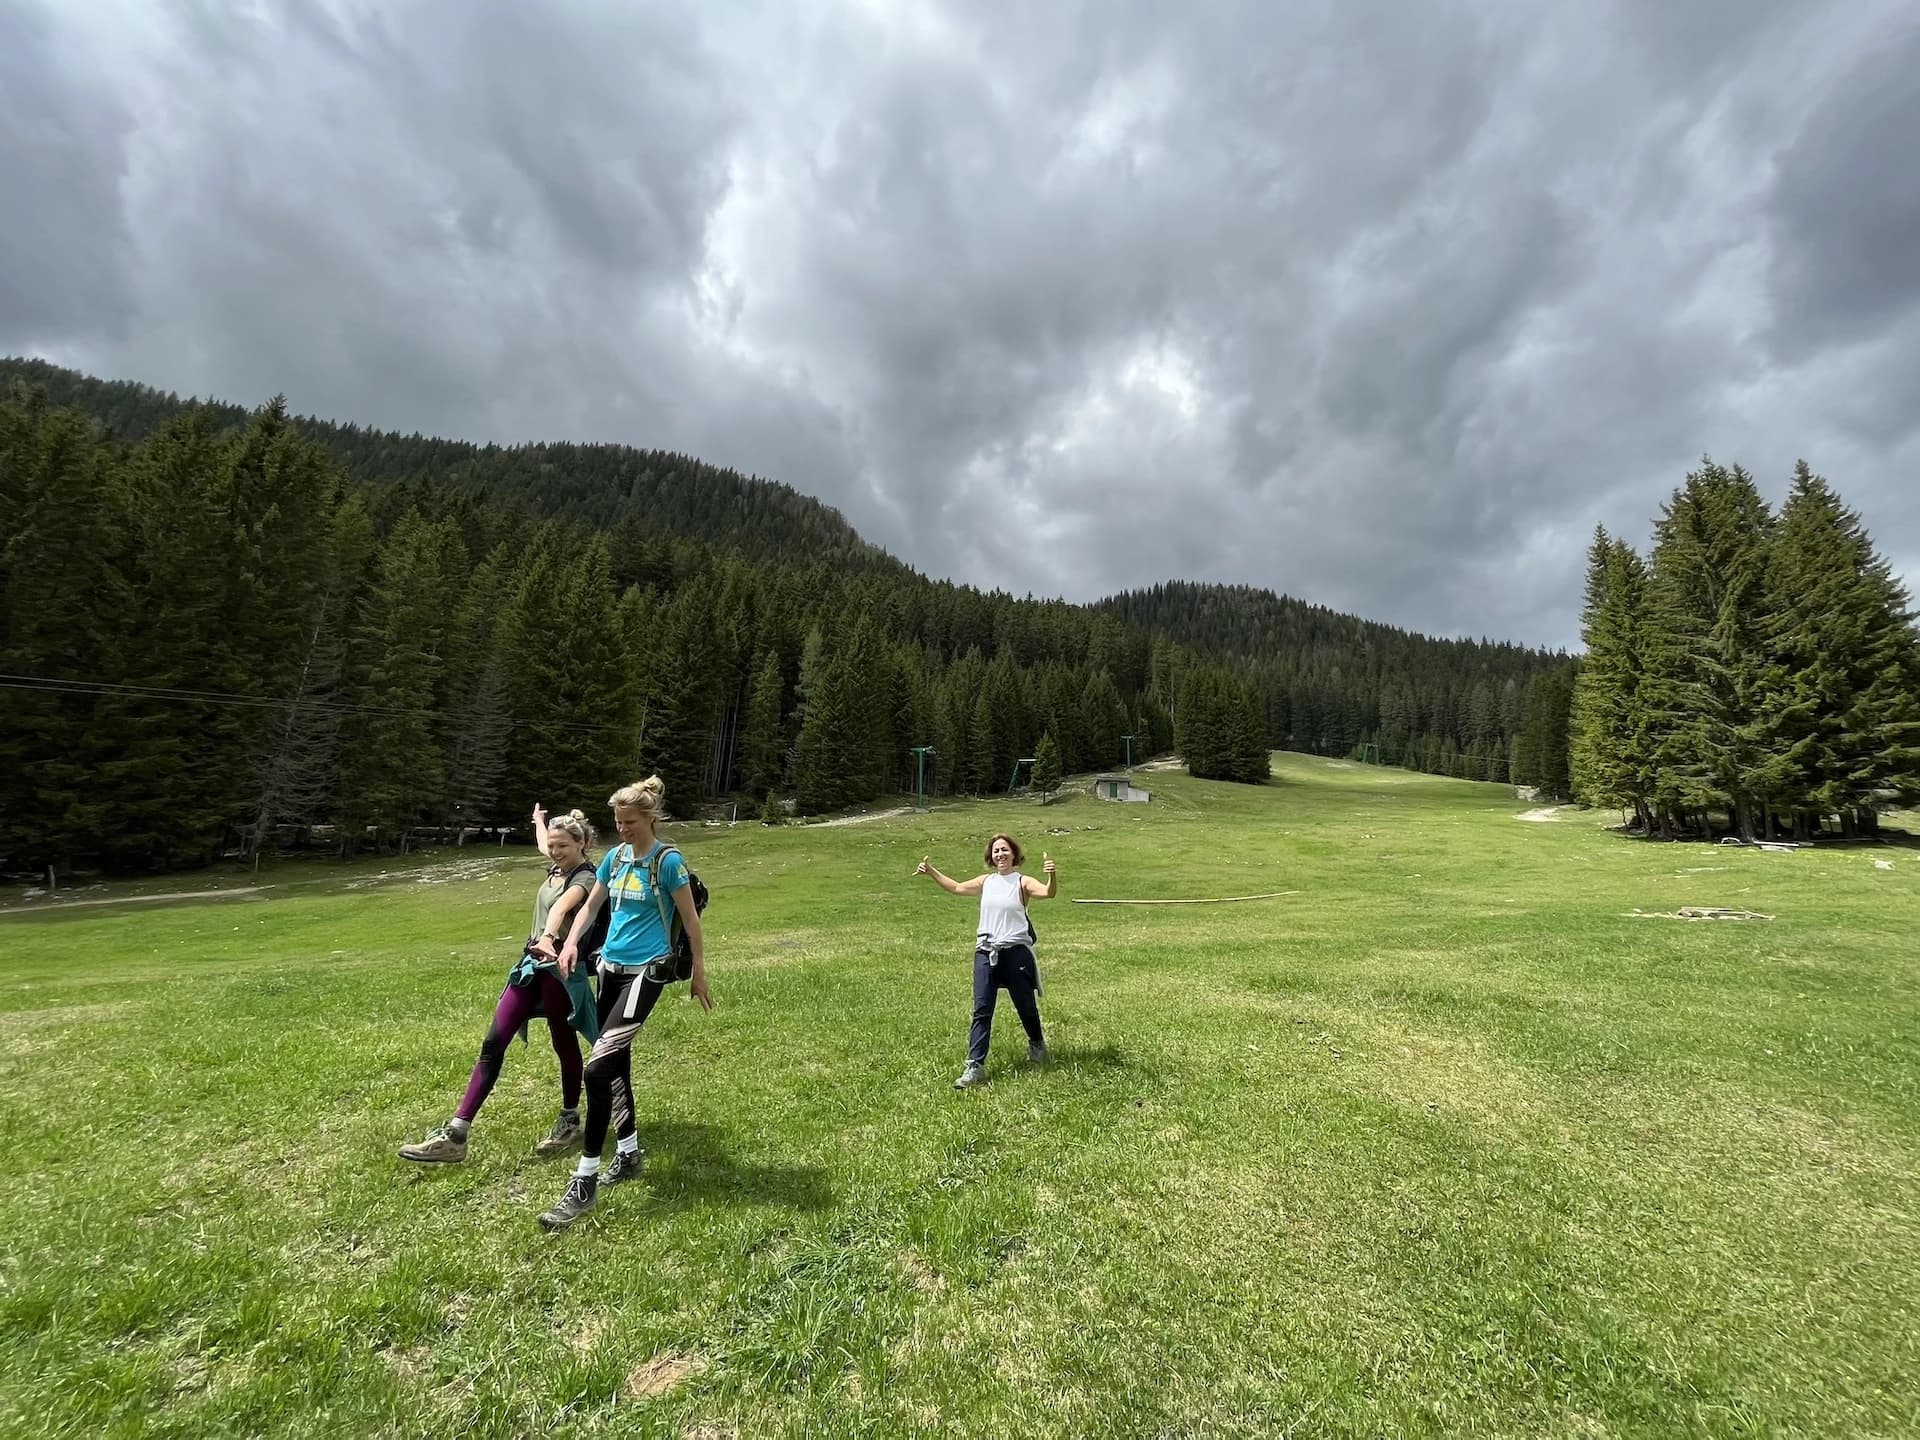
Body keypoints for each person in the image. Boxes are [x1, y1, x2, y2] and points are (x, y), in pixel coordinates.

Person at [537, 774, 711, 1230]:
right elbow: (591, 908)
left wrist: (699, 974)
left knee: (597, 1067)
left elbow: (691, 924)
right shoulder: (614, 859)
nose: (623, 828)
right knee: (616, 1064)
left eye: (630, 821)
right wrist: (571, 942)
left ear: (650, 818)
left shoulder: (667, 862)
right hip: (609, 968)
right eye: (617, 820)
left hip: (647, 972)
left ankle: (584, 1181)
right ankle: (629, 1154)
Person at [399, 803, 603, 1165]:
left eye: (563, 847)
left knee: (563, 1042)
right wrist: (539, 822)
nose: (555, 852)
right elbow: (544, 842)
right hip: (529, 968)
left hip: (558, 970)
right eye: (553, 847)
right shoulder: (555, 863)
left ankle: (570, 1119)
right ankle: (456, 1134)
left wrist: (549, 935)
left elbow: (561, 909)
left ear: (582, 844)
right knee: (494, 1041)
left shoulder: (586, 878)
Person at [916, 834, 1057, 1089]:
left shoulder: (1022, 882)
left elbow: (1048, 893)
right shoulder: (986, 881)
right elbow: (957, 887)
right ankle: (975, 1066)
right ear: (991, 856)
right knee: (982, 1010)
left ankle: (1036, 1043)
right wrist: (931, 871)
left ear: (1014, 854)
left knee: (1025, 1005)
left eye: (1004, 850)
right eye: (995, 851)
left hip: (1016, 953)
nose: (1000, 854)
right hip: (985, 952)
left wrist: (1052, 875)